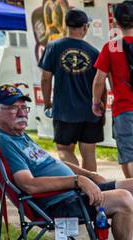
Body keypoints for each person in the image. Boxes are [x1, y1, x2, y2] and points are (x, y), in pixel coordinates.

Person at [0, 85, 133, 240]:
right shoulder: (5, 141)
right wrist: (78, 181)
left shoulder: (20, 136)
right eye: (13, 107)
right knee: (123, 199)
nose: (21, 112)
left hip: (72, 193)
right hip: (58, 204)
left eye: (24, 107)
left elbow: (53, 163)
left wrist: (89, 175)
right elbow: (29, 185)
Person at [92, 3, 133, 188]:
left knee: (132, 157)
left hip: (124, 109)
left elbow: (99, 80)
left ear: (116, 22)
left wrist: (96, 102)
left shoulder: (111, 47)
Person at [40, 10, 102, 174]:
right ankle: (92, 188)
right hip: (90, 110)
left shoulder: (53, 47)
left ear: (65, 26)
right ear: (84, 27)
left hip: (64, 110)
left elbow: (46, 78)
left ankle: (79, 185)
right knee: (88, 152)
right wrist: (101, 104)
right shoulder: (94, 52)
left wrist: (47, 103)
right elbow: (101, 83)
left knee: (64, 149)